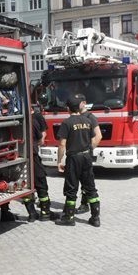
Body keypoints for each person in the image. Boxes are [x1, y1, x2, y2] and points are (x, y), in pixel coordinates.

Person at [56, 93, 101, 227]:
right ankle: (95, 218)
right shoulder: (88, 121)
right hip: (86, 157)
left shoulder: (66, 123)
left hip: (74, 158)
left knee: (71, 188)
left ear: (68, 109)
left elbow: (62, 144)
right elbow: (94, 138)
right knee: (90, 187)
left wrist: (59, 161)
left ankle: (69, 217)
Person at [23, 103, 53, 222]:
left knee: (25, 184)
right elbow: (41, 137)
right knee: (41, 182)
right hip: (33, 156)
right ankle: (45, 213)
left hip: (21, 157)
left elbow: (43, 134)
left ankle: (32, 214)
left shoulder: (26, 119)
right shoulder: (33, 122)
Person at [78, 102, 102, 214]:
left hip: (85, 154)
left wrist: (89, 149)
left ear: (84, 103)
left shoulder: (90, 117)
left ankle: (85, 204)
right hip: (77, 155)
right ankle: (84, 203)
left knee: (86, 180)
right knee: (82, 180)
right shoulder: (77, 117)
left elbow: (98, 135)